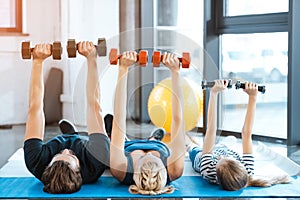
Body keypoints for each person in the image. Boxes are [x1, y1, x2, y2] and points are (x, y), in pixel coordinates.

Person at [23, 42, 110, 194]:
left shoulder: (36, 162)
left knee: (67, 139)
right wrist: (91, 59)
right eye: (71, 156)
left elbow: (35, 109)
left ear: (48, 165)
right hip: (85, 146)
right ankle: (97, 133)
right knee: (113, 146)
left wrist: (37, 61)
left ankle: (70, 134)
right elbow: (94, 106)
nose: (66, 150)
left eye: (58, 155)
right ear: (79, 171)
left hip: (68, 142)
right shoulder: (94, 163)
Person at [188, 80, 290, 191]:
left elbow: (211, 130)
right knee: (229, 142)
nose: (220, 157)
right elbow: (246, 134)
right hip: (225, 150)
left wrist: (214, 93)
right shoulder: (247, 171)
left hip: (200, 155)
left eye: (218, 161)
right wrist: (253, 97)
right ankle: (225, 143)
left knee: (192, 148)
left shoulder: (207, 169)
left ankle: (190, 146)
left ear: (217, 176)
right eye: (226, 158)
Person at [109, 51, 186, 195]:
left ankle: (75, 135)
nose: (147, 156)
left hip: (128, 146)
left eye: (142, 160)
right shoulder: (174, 169)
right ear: (163, 170)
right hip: (158, 146)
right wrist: (175, 72)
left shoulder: (120, 169)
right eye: (153, 159)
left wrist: (123, 69)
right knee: (155, 141)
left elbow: (119, 118)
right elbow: (178, 120)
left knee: (113, 134)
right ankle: (154, 139)